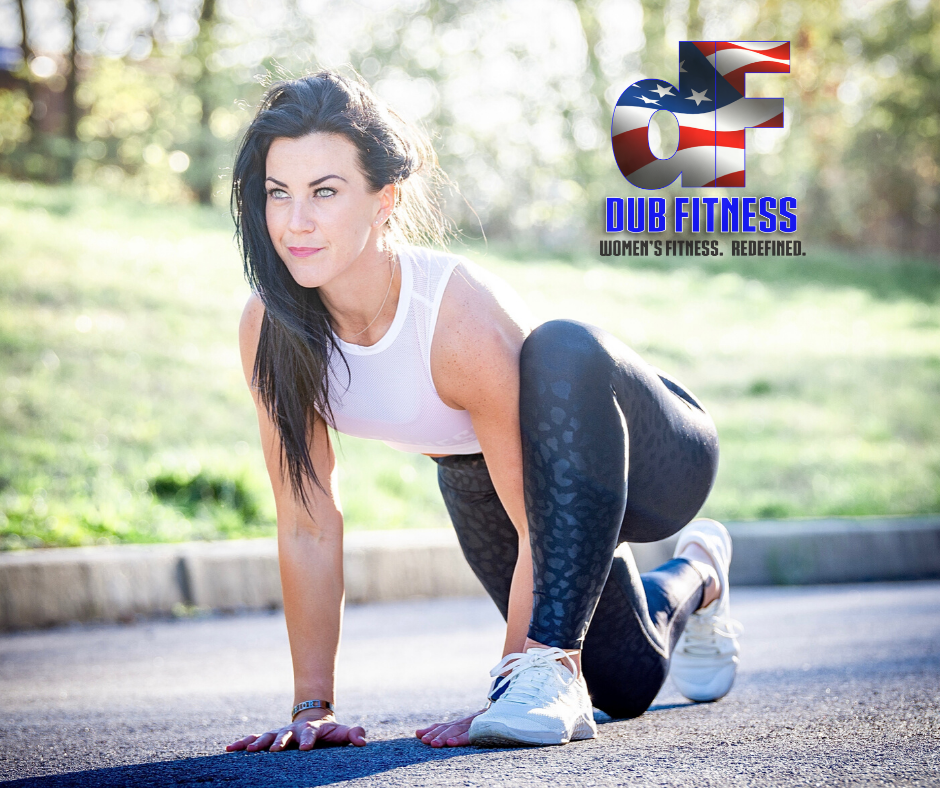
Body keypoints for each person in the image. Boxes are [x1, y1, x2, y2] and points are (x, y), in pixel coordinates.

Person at [224, 70, 741, 753]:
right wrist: (311, 706)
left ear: (385, 199)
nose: (296, 221)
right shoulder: (273, 327)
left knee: (563, 346)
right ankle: (703, 571)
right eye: (278, 193)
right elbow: (307, 523)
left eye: (326, 191)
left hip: (649, 460)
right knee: (623, 682)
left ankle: (656, 566)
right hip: (483, 478)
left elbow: (540, 521)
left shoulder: (452, 317)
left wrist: (514, 685)